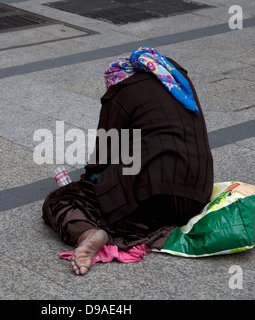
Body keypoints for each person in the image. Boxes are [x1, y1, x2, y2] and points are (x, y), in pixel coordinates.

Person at [42, 46, 214, 275]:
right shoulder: (177, 81)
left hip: (153, 193)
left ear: (116, 79)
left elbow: (101, 158)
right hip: (197, 195)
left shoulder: (120, 93)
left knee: (61, 200)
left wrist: (87, 187)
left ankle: (89, 234)